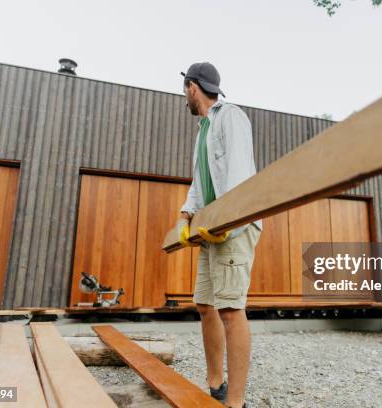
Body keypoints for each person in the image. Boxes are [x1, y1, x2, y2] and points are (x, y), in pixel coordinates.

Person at [175, 62, 262, 408]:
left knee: (229, 309)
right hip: (211, 228)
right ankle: (216, 385)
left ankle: (235, 403)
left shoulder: (231, 117)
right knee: (204, 303)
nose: (184, 95)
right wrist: (185, 215)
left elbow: (239, 176)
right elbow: (200, 184)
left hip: (233, 227)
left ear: (193, 86)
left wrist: (227, 224)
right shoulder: (203, 131)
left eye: (185, 88)